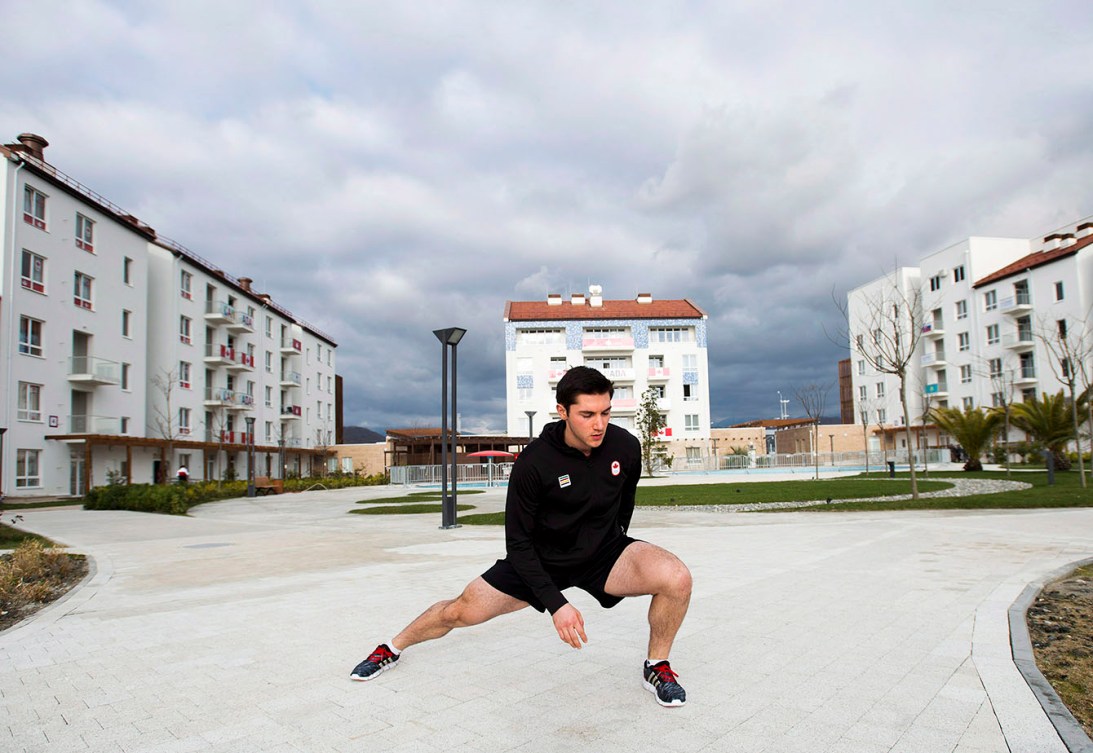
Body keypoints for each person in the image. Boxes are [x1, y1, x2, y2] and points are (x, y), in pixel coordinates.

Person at [350, 366, 693, 707]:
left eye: (605, 412)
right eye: (587, 414)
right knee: (459, 612)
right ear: (563, 412)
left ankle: (656, 665)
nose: (599, 424)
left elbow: (625, 499)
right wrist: (557, 604)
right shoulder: (534, 462)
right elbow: (517, 543)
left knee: (676, 578)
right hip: (539, 562)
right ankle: (391, 648)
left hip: (603, 555)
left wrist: (614, 538)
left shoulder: (626, 446)